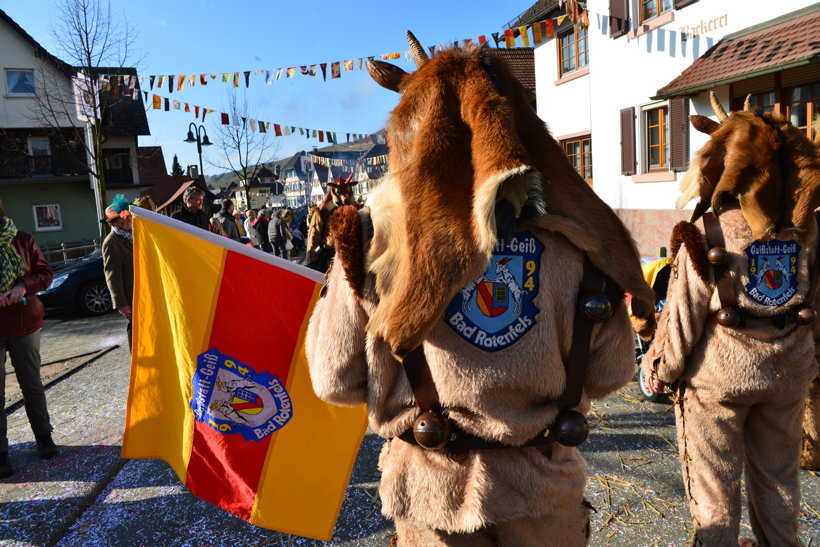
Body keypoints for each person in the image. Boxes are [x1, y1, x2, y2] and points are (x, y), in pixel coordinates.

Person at [641, 97, 820, 545]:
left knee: (714, 493)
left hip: (717, 384)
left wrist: (660, 368)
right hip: (788, 377)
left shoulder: (707, 232)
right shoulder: (811, 233)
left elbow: (681, 319)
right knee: (780, 485)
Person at [0, 198, 55, 479]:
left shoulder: (22, 239)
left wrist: (22, 286)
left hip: (23, 322)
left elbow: (45, 275)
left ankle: (44, 437)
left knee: (32, 384)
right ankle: (1, 454)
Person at [101, 195, 135, 350]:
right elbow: (112, 275)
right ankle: (138, 361)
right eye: (125, 217)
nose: (129, 219)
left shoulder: (134, 236)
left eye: (129, 216)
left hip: (143, 291)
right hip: (130, 295)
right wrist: (121, 303)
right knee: (134, 328)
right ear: (116, 222)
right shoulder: (111, 242)